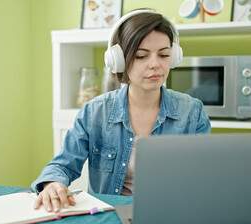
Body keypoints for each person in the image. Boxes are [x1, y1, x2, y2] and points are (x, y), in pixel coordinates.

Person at [31, 9, 211, 213]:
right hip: (111, 215)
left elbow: (203, 176)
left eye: (164, 54)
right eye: (141, 56)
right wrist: (52, 183)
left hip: (172, 213)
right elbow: (64, 164)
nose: (155, 65)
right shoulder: (94, 112)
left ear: (175, 56)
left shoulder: (192, 112)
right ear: (119, 60)